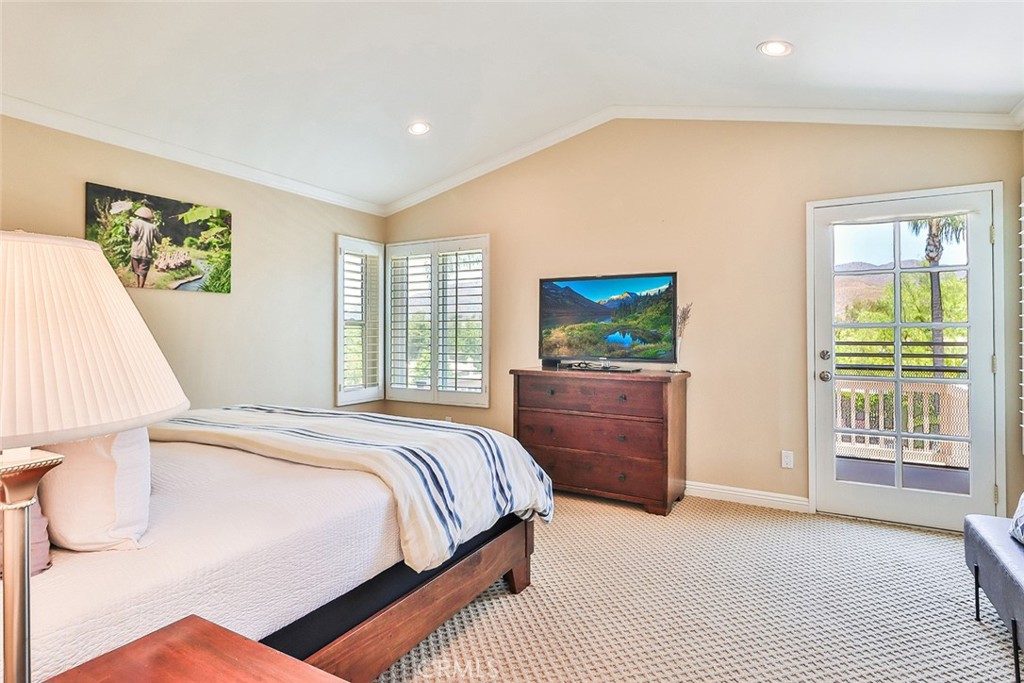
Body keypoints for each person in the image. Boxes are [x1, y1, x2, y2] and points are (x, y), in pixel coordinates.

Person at [128, 206, 162, 288]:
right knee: (143, 271)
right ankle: (141, 287)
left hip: (135, 251)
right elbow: (159, 240)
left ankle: (137, 285)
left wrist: (128, 229)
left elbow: (132, 236)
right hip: (146, 253)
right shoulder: (153, 227)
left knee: (136, 270)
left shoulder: (135, 223)